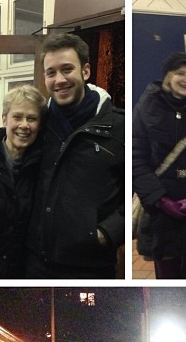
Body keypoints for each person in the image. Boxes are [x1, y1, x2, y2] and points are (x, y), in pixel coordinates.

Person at [25, 32, 124, 279]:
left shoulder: (119, 127)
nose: (59, 80)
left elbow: (138, 193)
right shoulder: (36, 126)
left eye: (67, 69)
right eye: (51, 72)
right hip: (35, 264)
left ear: (86, 71)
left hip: (91, 268)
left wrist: (106, 233)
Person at [133, 51, 186, 279]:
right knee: (167, 280)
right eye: (180, 73)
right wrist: (159, 199)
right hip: (161, 214)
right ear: (167, 77)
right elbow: (136, 158)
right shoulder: (144, 110)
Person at [0, 85, 46, 278]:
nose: (24, 125)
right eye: (17, 117)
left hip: (24, 274)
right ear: (4, 119)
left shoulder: (45, 165)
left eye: (32, 118)